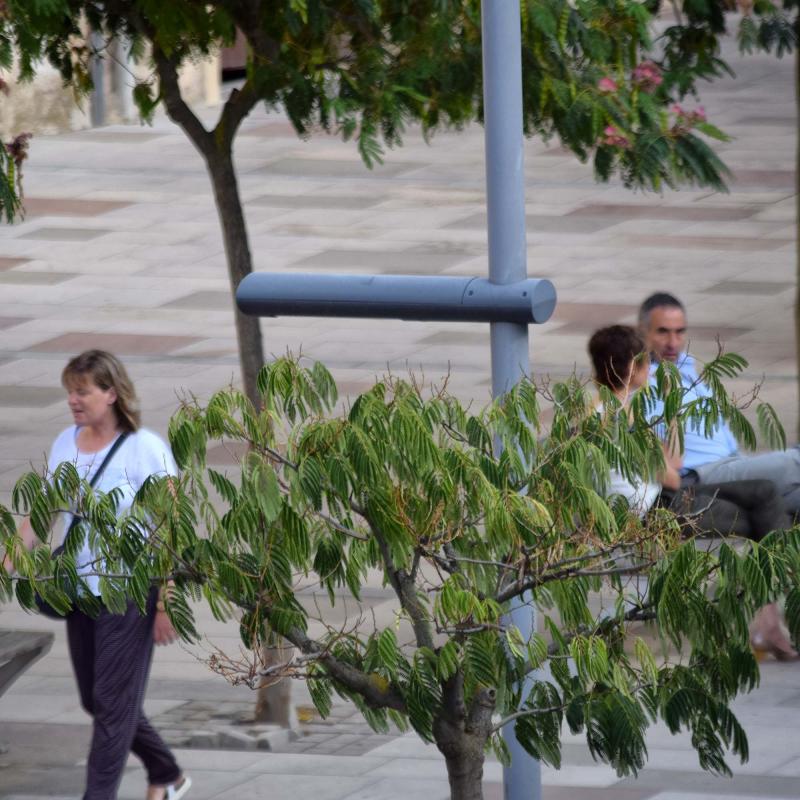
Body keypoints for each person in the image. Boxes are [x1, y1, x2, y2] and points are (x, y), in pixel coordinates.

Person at [1, 350, 192, 800]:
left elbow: (171, 530)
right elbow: (43, 512)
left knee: (110, 707)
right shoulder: (67, 442)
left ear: (111, 392)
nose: (73, 399)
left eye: (83, 390)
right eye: (70, 390)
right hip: (78, 592)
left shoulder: (147, 448)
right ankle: (168, 773)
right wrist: (8, 560)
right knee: (96, 699)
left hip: (130, 592)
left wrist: (166, 604)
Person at [588, 325, 798, 661]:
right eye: (646, 363)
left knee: (763, 494)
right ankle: (775, 616)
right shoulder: (619, 418)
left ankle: (771, 619)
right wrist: (671, 411)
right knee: (768, 512)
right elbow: (673, 472)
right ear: (634, 367)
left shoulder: (602, 409)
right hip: (657, 514)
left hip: (665, 499)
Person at [639, 292, 800, 514]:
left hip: (732, 464)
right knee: (794, 461)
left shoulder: (687, 368)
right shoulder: (639, 377)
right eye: (663, 332)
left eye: (679, 332)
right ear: (642, 331)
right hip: (700, 475)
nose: (672, 342)